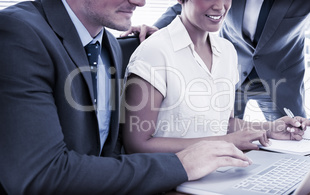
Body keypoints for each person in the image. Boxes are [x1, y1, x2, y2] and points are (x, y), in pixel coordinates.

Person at [0, 0, 255, 194]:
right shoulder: (19, 33)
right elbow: (41, 174)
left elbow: (105, 152)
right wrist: (182, 165)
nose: (141, 2)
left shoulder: (108, 44)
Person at [126, 0, 310, 144]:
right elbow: (191, 5)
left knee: (294, 140)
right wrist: (161, 30)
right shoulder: (159, 55)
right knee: (217, 131)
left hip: (281, 74)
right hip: (229, 66)